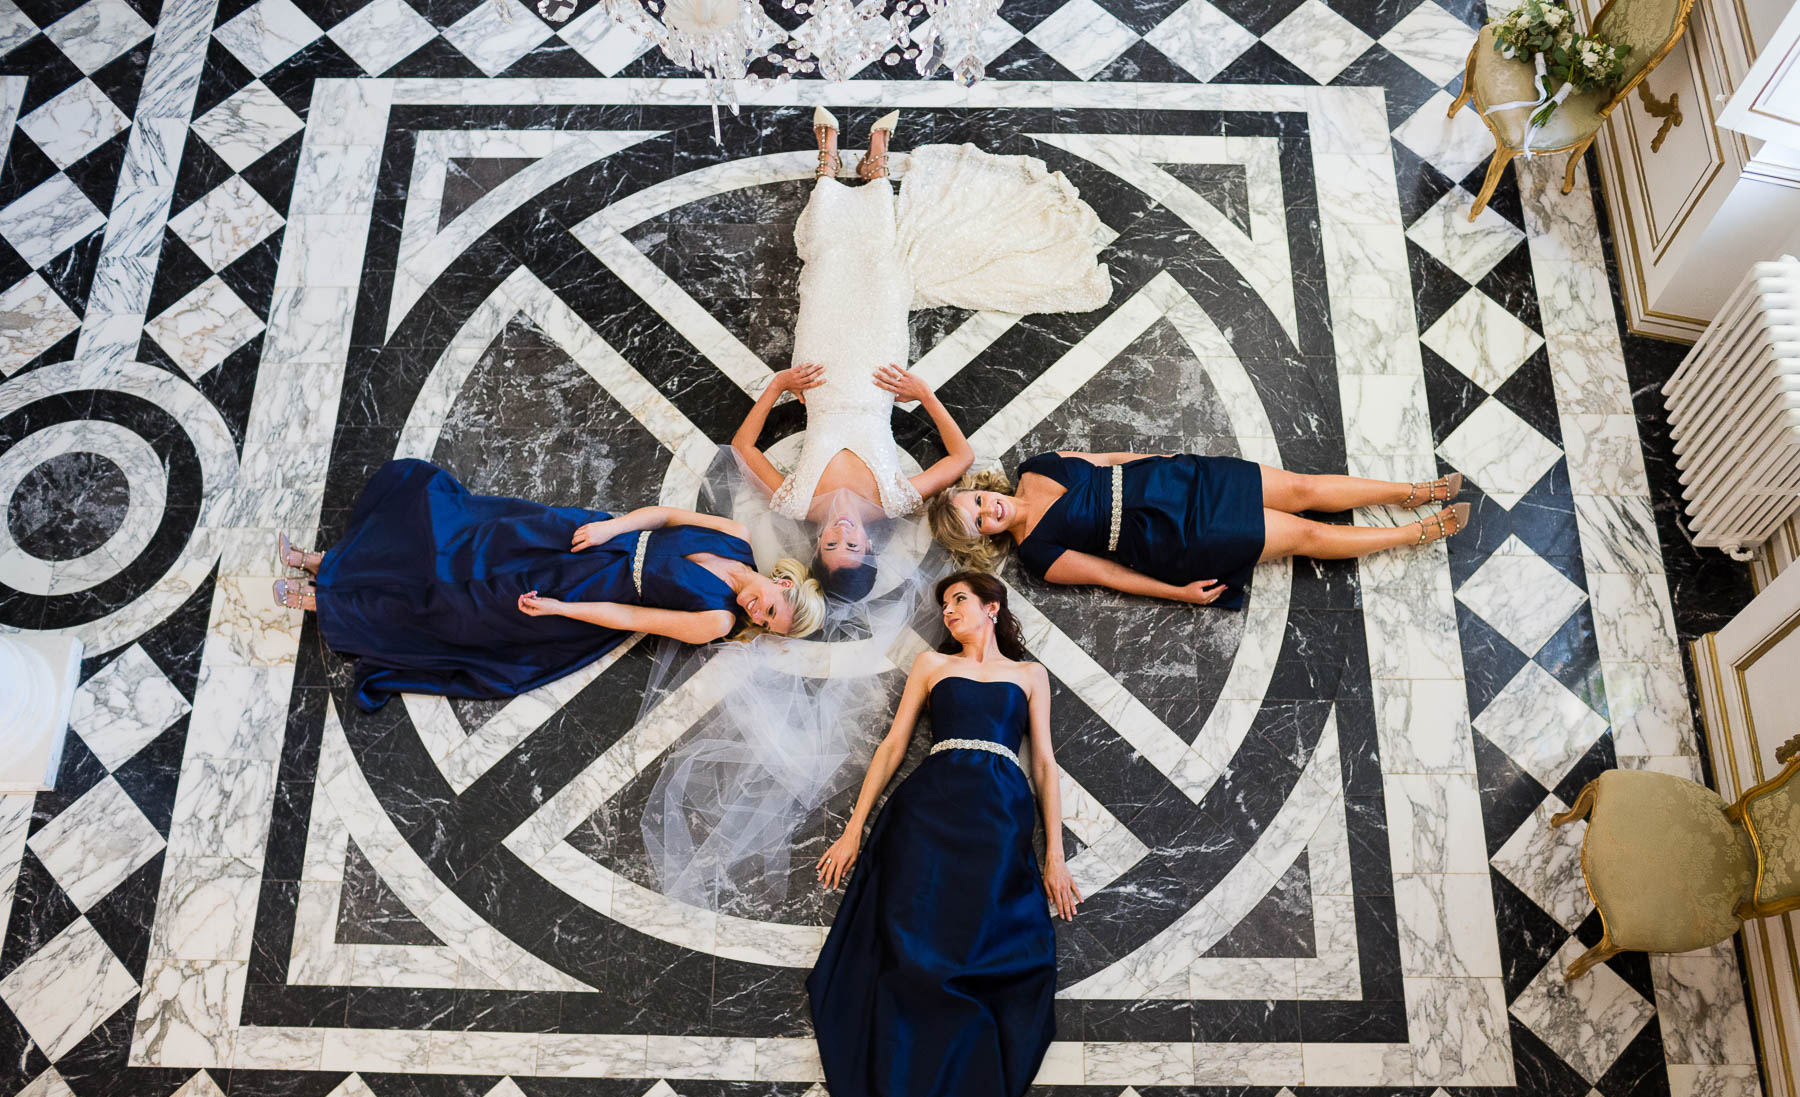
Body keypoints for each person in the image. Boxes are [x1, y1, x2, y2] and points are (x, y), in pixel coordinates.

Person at [731, 107, 1113, 601]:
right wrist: (923, 394)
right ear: (868, 545)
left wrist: (779, 386)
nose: (844, 530)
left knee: (829, 266)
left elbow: (742, 450)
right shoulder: (895, 501)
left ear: (818, 547)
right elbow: (963, 457)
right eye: (853, 542)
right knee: (884, 268)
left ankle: (827, 164)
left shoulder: (796, 503)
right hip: (877, 365)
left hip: (819, 367)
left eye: (832, 542)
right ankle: (876, 168)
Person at [808, 570, 1078, 1097]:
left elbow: (1044, 763)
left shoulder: (1029, 676)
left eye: (959, 601)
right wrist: (854, 830)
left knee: (965, 963)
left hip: (998, 819)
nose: (950, 611)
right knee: (907, 955)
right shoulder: (932, 664)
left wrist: (1053, 855)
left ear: (992, 607)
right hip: (926, 812)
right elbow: (894, 744)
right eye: (945, 604)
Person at [270, 458, 823, 711]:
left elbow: (631, 619)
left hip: (589, 590)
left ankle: (324, 601)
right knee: (464, 538)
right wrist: (611, 524)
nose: (758, 612)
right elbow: (664, 517)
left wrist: (561, 607)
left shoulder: (717, 621)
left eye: (767, 622)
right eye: (773, 606)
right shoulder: (736, 535)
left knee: (460, 600)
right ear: (781, 581)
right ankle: (323, 562)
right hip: (589, 536)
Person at [928, 452, 1470, 610]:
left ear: (982, 487)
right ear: (981, 537)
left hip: (1178, 478)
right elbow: (1111, 576)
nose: (986, 510)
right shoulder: (1038, 554)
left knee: (1303, 489)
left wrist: (1172, 460)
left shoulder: (1037, 467)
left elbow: (1112, 458)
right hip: (1177, 532)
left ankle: (1413, 490)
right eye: (975, 521)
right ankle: (1416, 533)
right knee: (1302, 537)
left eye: (976, 500)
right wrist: (1179, 593)